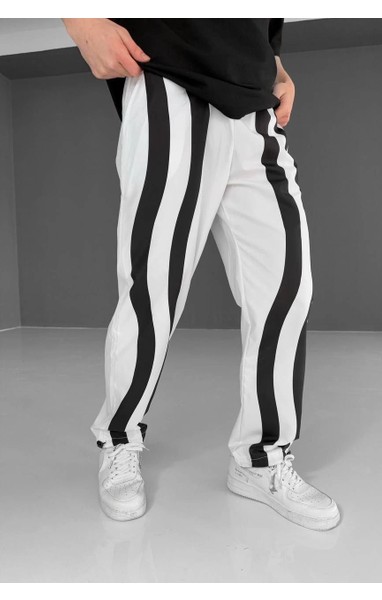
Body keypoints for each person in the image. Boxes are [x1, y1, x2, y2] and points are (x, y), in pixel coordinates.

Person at [62, 18, 341, 530]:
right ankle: (120, 440)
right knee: (154, 288)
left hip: (254, 104)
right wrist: (79, 18)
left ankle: (261, 458)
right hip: (168, 77)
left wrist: (274, 63)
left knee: (286, 288)